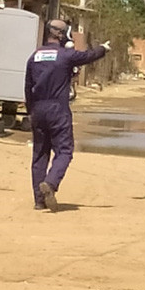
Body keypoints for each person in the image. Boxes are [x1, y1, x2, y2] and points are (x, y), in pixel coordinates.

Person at [24, 19, 110, 212]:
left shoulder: (34, 56)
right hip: (57, 110)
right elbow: (88, 56)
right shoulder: (65, 55)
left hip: (38, 109)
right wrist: (103, 48)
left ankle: (39, 201)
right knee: (64, 151)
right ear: (61, 35)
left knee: (39, 154)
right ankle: (51, 183)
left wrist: (31, 111)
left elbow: (28, 87)